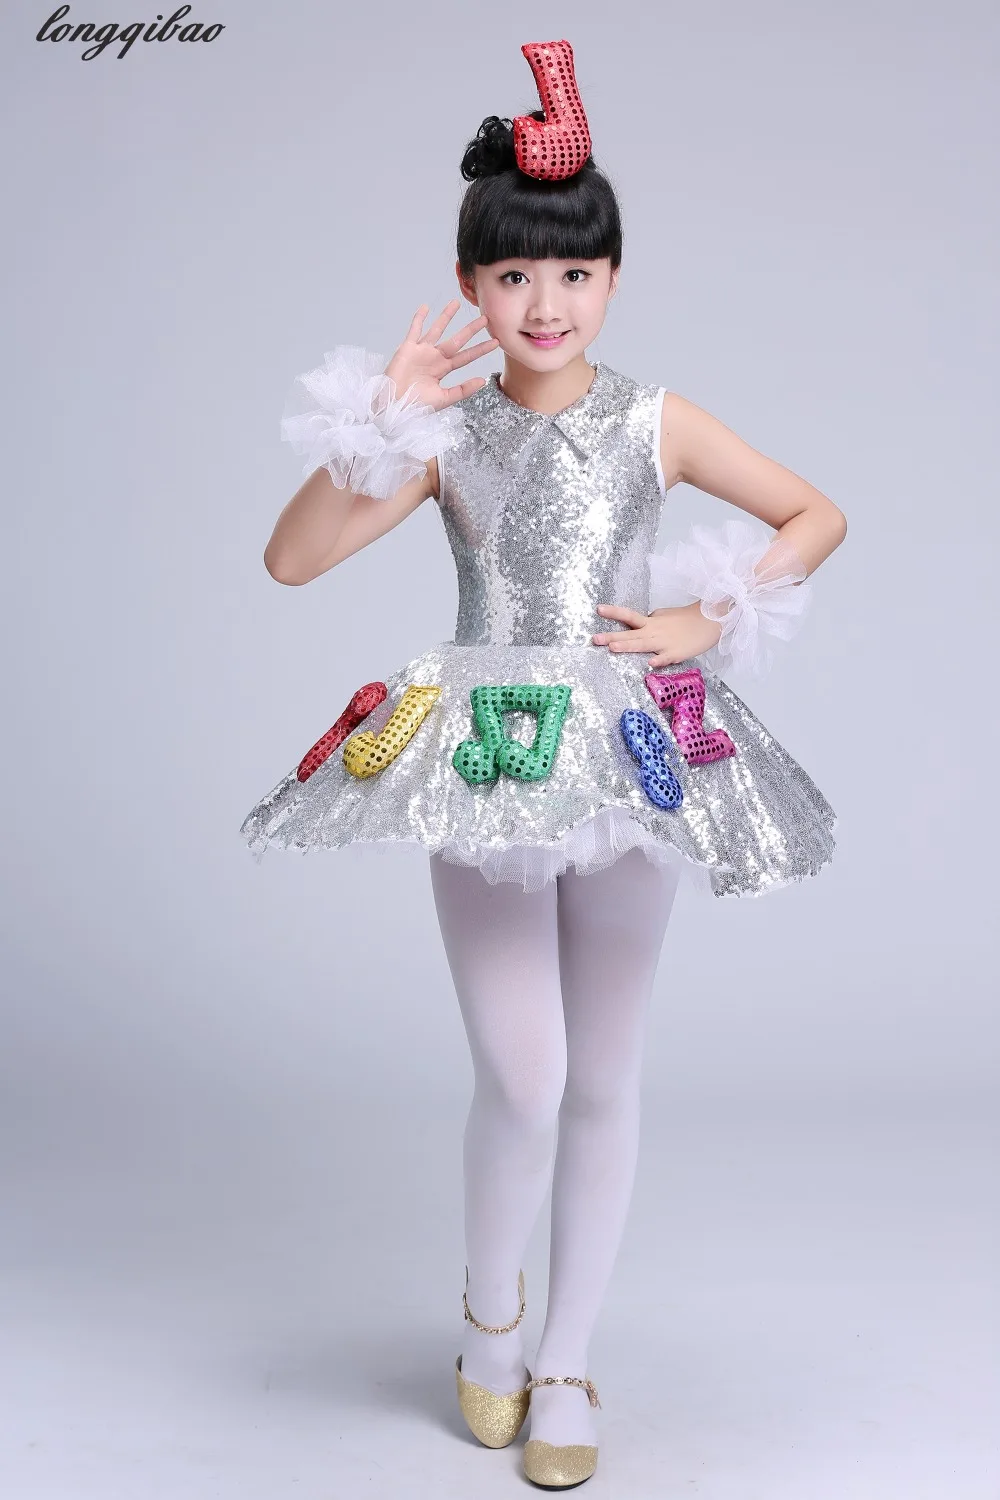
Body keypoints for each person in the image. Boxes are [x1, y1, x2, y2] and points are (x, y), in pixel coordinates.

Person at [239, 38, 846, 1490]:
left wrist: (708, 615)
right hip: (488, 757)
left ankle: (568, 1357)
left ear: (615, 279)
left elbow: (815, 514)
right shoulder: (448, 436)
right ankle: (492, 1318)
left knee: (604, 1074)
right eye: (513, 275)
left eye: (574, 272)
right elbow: (291, 560)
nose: (546, 302)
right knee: (524, 1075)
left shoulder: (656, 419)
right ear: (471, 288)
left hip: (629, 755)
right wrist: (381, 424)